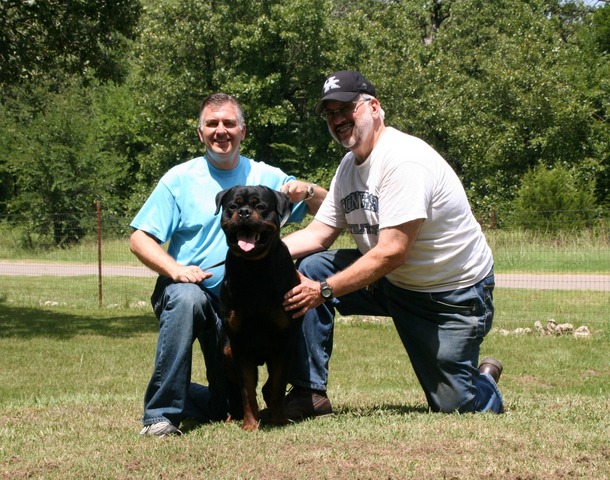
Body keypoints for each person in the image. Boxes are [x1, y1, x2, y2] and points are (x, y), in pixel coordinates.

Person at [281, 70, 504, 418]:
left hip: (450, 296)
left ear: (373, 107)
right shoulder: (348, 167)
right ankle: (309, 393)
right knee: (312, 266)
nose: (338, 119)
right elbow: (317, 235)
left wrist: (323, 291)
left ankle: (484, 382)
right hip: (393, 283)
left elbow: (392, 251)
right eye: (330, 113)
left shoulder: (403, 160)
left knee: (456, 406)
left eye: (346, 109)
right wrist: (250, 255)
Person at [130, 93, 326, 436]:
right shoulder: (179, 179)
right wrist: (176, 270)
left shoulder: (267, 176)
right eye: (212, 123)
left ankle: (207, 396)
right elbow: (139, 238)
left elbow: (325, 211)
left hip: (245, 298)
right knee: (186, 297)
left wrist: (307, 189)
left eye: (229, 123)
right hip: (198, 295)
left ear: (243, 131)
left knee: (226, 405)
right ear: (201, 132)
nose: (221, 131)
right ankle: (160, 415)